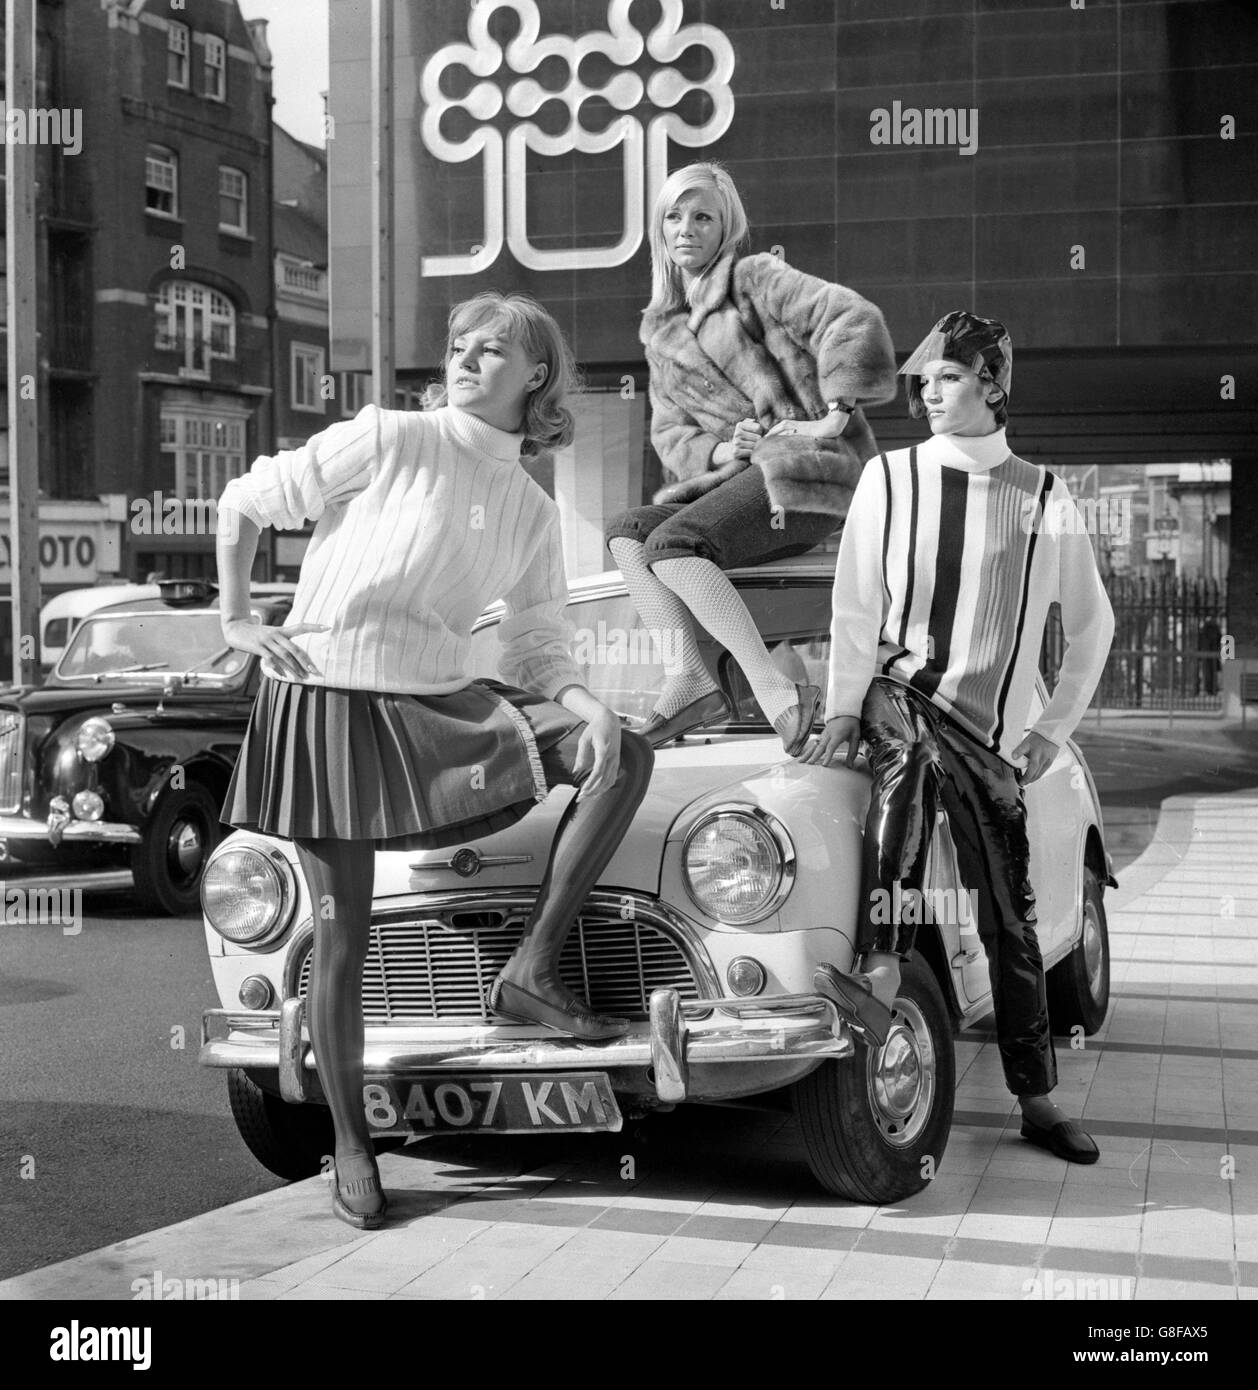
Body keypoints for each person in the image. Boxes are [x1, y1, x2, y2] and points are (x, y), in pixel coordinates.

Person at [215, 292, 654, 1230]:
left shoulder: (533, 507)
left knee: (624, 753)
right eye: (459, 344)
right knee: (342, 938)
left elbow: (538, 646)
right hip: (327, 698)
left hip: (436, 705)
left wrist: (589, 706)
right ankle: (352, 1146)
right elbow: (245, 500)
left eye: (492, 349)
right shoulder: (389, 437)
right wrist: (237, 620)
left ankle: (531, 969)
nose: (466, 358)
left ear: (536, 374)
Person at [802, 311, 1115, 1165]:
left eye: (945, 376)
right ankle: (877, 971)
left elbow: (1093, 628)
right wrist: (839, 709)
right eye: (923, 380)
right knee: (907, 767)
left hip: (995, 739)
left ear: (992, 383)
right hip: (899, 694)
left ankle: (1038, 1101)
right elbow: (855, 608)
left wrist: (1052, 731)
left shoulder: (1047, 497)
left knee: (1011, 922)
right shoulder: (888, 478)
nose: (926, 392)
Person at [605, 162, 897, 754]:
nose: (686, 228)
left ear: (725, 227)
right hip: (741, 484)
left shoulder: (755, 279)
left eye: (702, 216)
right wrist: (720, 447)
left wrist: (835, 412)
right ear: (660, 230)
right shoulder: (658, 332)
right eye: (674, 216)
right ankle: (687, 677)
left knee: (674, 545)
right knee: (629, 533)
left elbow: (852, 318)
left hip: (811, 473)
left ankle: (777, 692)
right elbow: (669, 432)